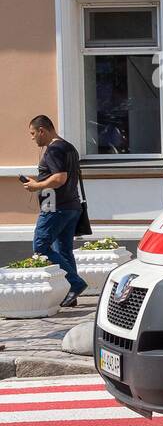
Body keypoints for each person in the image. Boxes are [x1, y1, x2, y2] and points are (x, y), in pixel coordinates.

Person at [23, 115, 87, 307]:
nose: (32, 138)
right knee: (64, 250)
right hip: (71, 206)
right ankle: (71, 294)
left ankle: (75, 284)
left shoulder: (53, 149)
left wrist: (37, 186)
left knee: (41, 247)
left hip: (54, 207)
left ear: (42, 130)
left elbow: (59, 178)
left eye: (33, 133)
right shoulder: (69, 147)